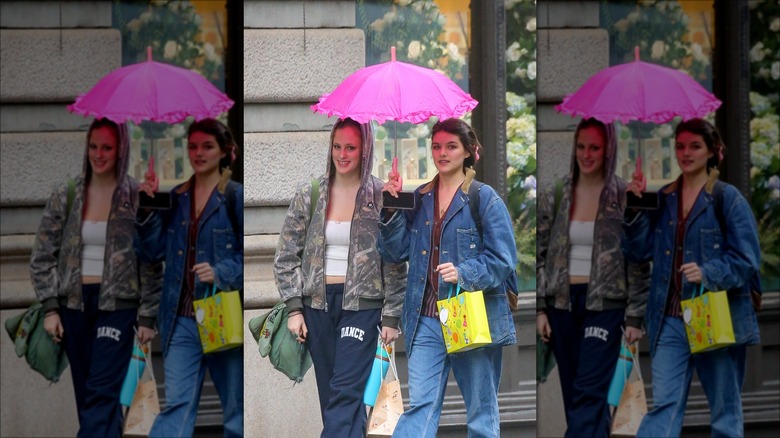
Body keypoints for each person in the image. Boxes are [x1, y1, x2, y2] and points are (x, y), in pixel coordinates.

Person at [378, 118, 517, 437]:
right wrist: (391, 207)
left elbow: (504, 260)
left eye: (451, 146)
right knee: (420, 409)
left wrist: (464, 272)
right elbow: (395, 251)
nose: (442, 152)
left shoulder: (484, 199)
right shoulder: (421, 199)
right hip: (425, 318)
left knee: (481, 413)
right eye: (437, 146)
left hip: (468, 313)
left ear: (469, 152)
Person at [625, 118, 761, 437]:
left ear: (712, 152)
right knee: (664, 407)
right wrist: (635, 206)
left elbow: (747, 260)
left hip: (711, 311)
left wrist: (708, 271)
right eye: (681, 146)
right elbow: (638, 251)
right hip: (669, 318)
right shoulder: (666, 199)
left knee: (725, 412)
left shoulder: (726, 198)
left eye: (695, 146)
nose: (686, 153)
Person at [273, 117, 407, 438]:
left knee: (345, 396)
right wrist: (294, 308)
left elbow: (395, 260)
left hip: (362, 308)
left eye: (351, 147)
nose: (342, 154)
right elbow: (285, 255)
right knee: (335, 401)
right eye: (337, 146)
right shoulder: (311, 194)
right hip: (317, 307)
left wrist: (390, 315)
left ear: (365, 150)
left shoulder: (379, 196)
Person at [30, 118, 162, 437]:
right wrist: (50, 308)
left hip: (118, 309)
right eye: (93, 146)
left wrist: (146, 316)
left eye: (107, 147)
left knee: (101, 395)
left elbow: (152, 260)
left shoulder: (134, 195)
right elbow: (41, 254)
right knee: (89, 399)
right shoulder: (68, 194)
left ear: (121, 151)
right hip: (73, 307)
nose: (99, 154)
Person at [535, 118, 649, 437]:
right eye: (581, 146)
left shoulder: (624, 195)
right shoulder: (556, 193)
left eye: (594, 147)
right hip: (562, 306)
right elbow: (541, 252)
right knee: (578, 399)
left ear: (608, 149)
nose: (586, 154)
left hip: (606, 307)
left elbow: (640, 260)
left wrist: (635, 317)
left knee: (588, 394)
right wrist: (541, 309)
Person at [138, 118, 244, 438]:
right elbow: (151, 252)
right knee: (177, 406)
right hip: (180, 318)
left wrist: (221, 271)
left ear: (224, 151)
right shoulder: (177, 197)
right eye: (193, 146)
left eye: (207, 146)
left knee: (236, 412)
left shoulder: (233, 196)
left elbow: (251, 257)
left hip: (219, 313)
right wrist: (148, 206)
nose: (199, 153)